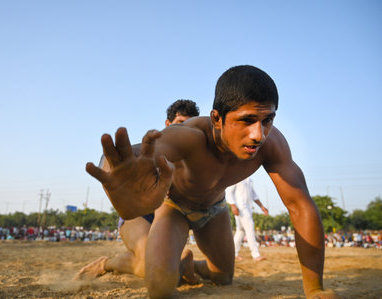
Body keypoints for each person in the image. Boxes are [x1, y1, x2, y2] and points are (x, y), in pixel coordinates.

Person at [84, 65, 340, 299]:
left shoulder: (272, 145)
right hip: (175, 209)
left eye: (267, 120)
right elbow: (133, 155)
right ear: (217, 118)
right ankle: (127, 264)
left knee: (223, 277)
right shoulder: (191, 136)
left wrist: (315, 289)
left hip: (215, 210)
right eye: (247, 120)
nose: (258, 134)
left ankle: (189, 265)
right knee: (160, 289)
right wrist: (116, 171)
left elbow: (300, 206)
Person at [77, 99, 200, 284]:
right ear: (168, 124)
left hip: (168, 217)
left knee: (164, 272)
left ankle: (180, 264)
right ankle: (106, 264)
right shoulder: (152, 150)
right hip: (138, 215)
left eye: (190, 126)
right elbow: (115, 161)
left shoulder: (194, 159)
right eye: (180, 123)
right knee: (147, 265)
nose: (184, 130)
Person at [225, 177, 268, 261]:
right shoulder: (236, 177)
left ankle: (233, 254)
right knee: (250, 228)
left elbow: (254, 195)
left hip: (248, 208)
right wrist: (233, 206)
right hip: (240, 208)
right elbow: (228, 192)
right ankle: (255, 255)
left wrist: (262, 207)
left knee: (241, 231)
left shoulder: (249, 180)